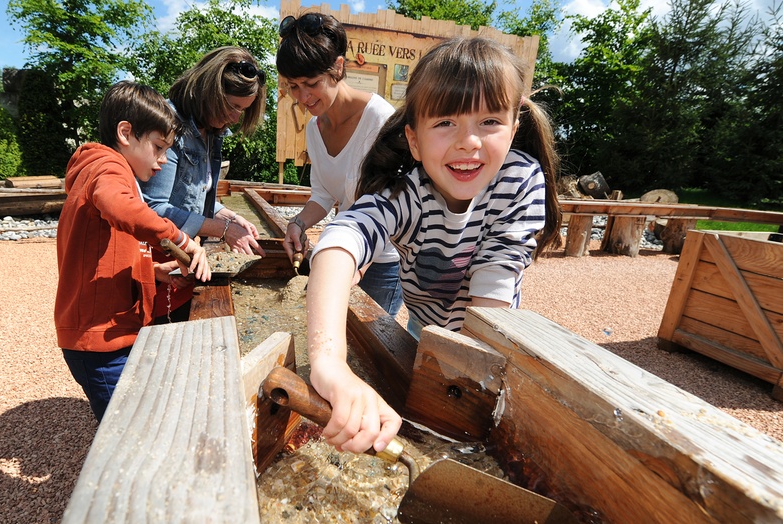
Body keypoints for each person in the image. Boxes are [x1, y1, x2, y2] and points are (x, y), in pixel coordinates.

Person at [304, 37, 563, 454]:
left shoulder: (519, 180)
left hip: (490, 339)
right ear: (414, 140)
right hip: (423, 326)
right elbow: (340, 241)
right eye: (445, 123)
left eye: (490, 122)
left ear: (514, 129)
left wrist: (462, 389)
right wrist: (330, 363)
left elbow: (494, 291)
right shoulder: (406, 193)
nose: (469, 142)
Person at [55, 80, 210, 422]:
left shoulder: (118, 174)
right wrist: (181, 239)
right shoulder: (106, 168)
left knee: (139, 417)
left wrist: (152, 272)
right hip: (98, 344)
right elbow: (121, 209)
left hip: (116, 332)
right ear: (125, 133)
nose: (163, 160)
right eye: (158, 147)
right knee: (128, 430)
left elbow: (114, 248)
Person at [276, 12, 404, 316]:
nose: (303, 96)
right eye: (293, 86)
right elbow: (322, 197)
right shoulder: (313, 129)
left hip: (381, 263)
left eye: (311, 83)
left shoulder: (381, 121)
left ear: (338, 67)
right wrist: (297, 224)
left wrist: (358, 266)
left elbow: (396, 208)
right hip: (344, 255)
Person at [139, 46, 268, 324]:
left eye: (242, 110)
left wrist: (231, 217)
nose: (236, 117)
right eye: (233, 106)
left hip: (182, 261)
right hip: (155, 264)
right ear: (210, 92)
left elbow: (194, 196)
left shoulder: (212, 130)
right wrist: (223, 230)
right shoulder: (170, 123)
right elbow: (153, 208)